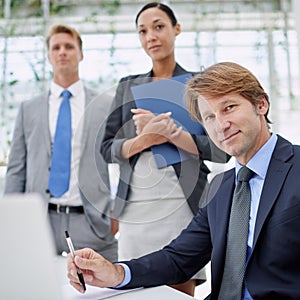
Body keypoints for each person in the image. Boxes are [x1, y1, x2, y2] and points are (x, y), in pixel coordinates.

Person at [67, 61, 300, 299]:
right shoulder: (221, 188)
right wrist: (115, 272)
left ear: (261, 104)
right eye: (209, 117)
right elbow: (178, 258)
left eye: (229, 107)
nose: (221, 125)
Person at [100, 2, 230, 296]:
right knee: (131, 285)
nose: (151, 37)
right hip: (136, 208)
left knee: (179, 286)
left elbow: (222, 150)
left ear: (176, 29)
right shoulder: (127, 86)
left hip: (182, 205)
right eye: (143, 31)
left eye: (159, 27)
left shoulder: (199, 85)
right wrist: (145, 139)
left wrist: (174, 134)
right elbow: (105, 148)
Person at [4, 24, 117, 261]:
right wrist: (10, 217)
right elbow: (16, 169)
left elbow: (121, 159)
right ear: (49, 56)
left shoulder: (104, 104)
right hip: (38, 221)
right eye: (56, 47)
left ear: (81, 54)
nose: (62, 52)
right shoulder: (29, 108)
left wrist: (119, 209)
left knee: (102, 294)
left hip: (91, 223)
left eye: (69, 46)